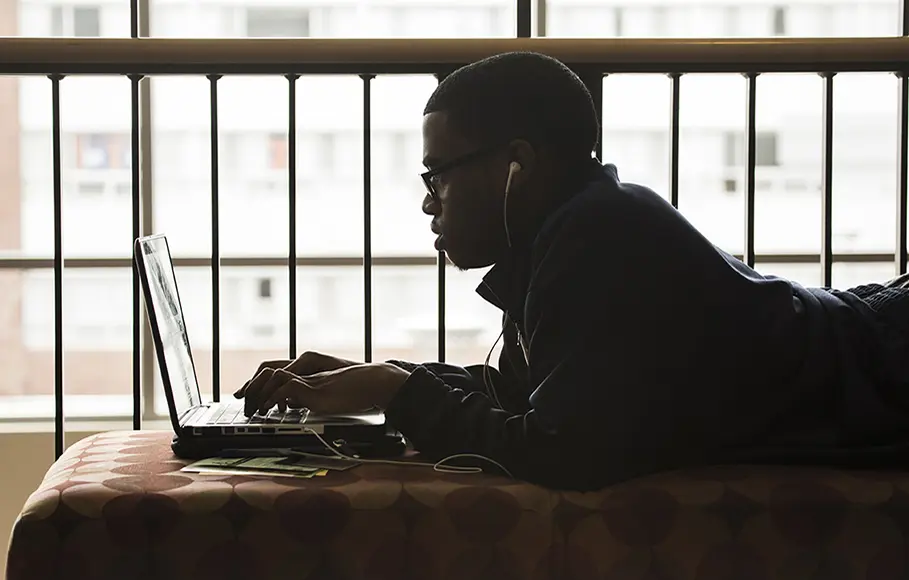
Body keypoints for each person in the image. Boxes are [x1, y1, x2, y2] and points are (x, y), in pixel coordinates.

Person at [235, 52, 909, 491]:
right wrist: (390, 379)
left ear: (515, 164)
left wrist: (402, 394)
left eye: (437, 174)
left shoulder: (599, 236)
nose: (426, 199)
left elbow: (562, 448)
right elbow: (541, 396)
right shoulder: (568, 228)